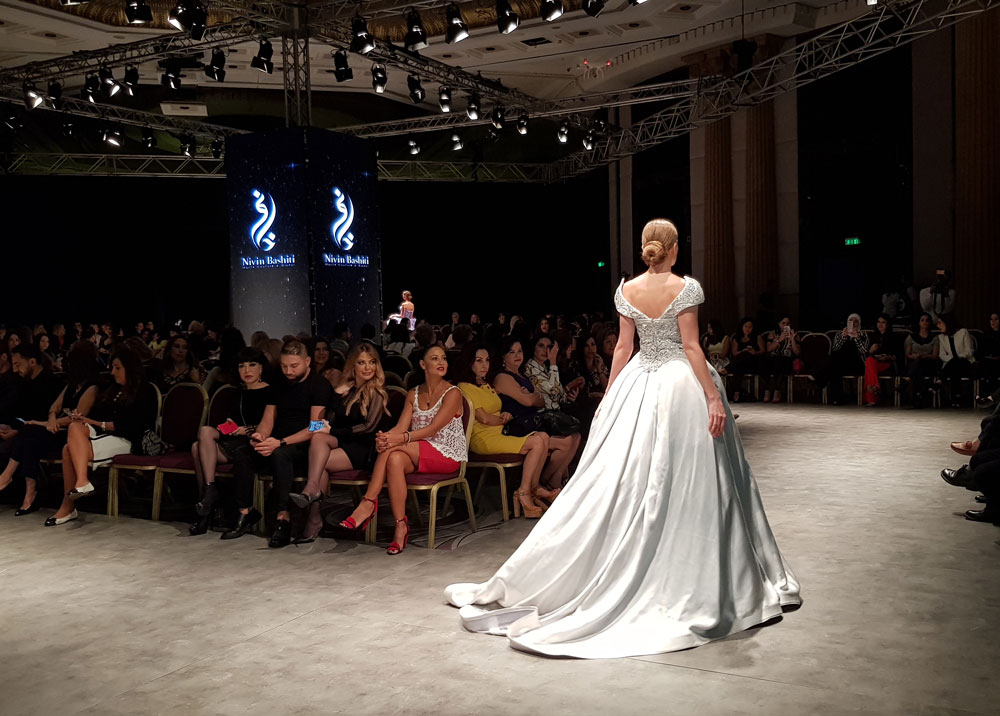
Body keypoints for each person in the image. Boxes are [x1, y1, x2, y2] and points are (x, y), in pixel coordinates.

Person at [444, 218, 800, 658]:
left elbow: (623, 348)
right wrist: (712, 396)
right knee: (693, 476)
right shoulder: (686, 287)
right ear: (674, 249)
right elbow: (691, 347)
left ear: (646, 248)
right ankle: (695, 564)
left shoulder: (627, 290)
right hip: (680, 385)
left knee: (629, 474)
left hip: (638, 383)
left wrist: (612, 394)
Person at [338, 345, 467, 555]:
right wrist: (386, 439)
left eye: (443, 358)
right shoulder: (413, 393)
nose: (441, 362)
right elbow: (400, 427)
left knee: (394, 447)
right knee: (394, 458)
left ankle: (368, 502)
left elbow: (433, 429)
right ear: (423, 364)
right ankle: (400, 526)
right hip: (415, 450)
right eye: (435, 358)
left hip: (446, 453)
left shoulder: (453, 393)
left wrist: (397, 439)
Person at [224, 340, 332, 546]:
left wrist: (280, 442)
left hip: (302, 444)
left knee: (280, 454)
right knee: (243, 453)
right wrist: (260, 437)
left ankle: (283, 518)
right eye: (284, 366)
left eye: (294, 366)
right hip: (276, 440)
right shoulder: (278, 382)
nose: (288, 371)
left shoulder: (319, 385)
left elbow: (316, 427)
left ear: (307, 361)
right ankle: (245, 512)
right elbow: (268, 419)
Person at [288, 343, 390, 542]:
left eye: (372, 362)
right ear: (353, 365)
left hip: (364, 448)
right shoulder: (347, 389)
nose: (368, 367)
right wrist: (337, 394)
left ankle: (313, 513)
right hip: (343, 442)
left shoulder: (378, 391)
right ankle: (312, 492)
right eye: (362, 363)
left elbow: (368, 427)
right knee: (318, 439)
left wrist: (332, 431)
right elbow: (330, 421)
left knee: (318, 462)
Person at [45, 347, 158, 526]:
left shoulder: (145, 391)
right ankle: (82, 482)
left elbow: (130, 425)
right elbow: (100, 416)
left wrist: (92, 422)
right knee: (75, 426)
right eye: (112, 367)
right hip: (105, 435)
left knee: (67, 450)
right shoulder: (112, 389)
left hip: (129, 440)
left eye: (117, 368)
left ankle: (69, 505)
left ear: (130, 368)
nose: (112, 372)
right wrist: (84, 420)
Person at [457, 344, 554, 518]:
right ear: (469, 363)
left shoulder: (486, 385)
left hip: (499, 432)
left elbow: (496, 410)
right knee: (537, 442)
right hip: (483, 438)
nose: (484, 365)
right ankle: (523, 492)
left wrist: (504, 415)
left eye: (487, 360)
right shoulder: (465, 387)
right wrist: (502, 419)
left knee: (543, 436)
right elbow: (484, 418)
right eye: (479, 361)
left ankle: (534, 488)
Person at [189, 347, 275, 536]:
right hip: (233, 441)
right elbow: (232, 421)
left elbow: (272, 426)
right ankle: (209, 493)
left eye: (252, 365)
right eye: (242, 366)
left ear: (261, 368)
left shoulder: (270, 392)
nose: (247, 370)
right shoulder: (237, 392)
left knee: (197, 449)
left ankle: (207, 507)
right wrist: (229, 426)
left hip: (255, 444)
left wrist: (247, 429)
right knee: (202, 436)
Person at [0, 344, 68, 512]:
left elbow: (48, 418)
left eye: (18, 364)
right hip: (28, 433)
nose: (15, 369)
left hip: (53, 433)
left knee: (28, 436)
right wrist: (12, 427)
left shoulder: (53, 383)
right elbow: (18, 414)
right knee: (26, 435)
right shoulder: (24, 384)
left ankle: (8, 478)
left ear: (32, 362)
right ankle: (27, 490)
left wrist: (19, 428)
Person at [823, 314, 868, 406]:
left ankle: (818, 375)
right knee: (835, 364)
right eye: (851, 321)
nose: (853, 323)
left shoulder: (863, 334)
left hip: (857, 364)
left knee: (835, 360)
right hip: (842, 364)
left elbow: (864, 351)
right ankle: (837, 399)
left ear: (859, 323)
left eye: (856, 321)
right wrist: (843, 337)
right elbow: (835, 349)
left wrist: (857, 338)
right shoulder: (840, 334)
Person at [757, 316, 800, 404]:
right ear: (779, 324)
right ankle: (767, 389)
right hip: (773, 359)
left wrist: (792, 339)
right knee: (763, 361)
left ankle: (777, 390)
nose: (785, 325)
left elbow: (797, 352)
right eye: (783, 323)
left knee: (781, 361)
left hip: (787, 360)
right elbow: (768, 349)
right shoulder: (773, 334)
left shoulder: (795, 335)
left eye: (787, 323)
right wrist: (779, 340)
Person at [862, 313, 902, 407]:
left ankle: (871, 399)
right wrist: (871, 351)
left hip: (888, 364)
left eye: (883, 322)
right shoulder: (872, 336)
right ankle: (875, 387)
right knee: (869, 361)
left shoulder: (894, 337)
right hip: (875, 363)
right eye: (878, 322)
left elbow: (898, 354)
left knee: (869, 368)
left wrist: (887, 357)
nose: (880, 324)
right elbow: (866, 355)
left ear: (887, 325)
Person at [936, 314, 975, 408]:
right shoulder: (941, 337)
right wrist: (954, 360)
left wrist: (957, 358)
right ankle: (956, 398)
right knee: (955, 368)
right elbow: (941, 355)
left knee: (956, 363)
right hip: (952, 367)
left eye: (940, 323)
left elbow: (970, 351)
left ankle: (940, 380)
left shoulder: (963, 332)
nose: (937, 325)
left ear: (947, 323)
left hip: (966, 363)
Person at [904, 312, 940, 408]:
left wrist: (923, 356)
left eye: (927, 320)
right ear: (919, 323)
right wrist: (915, 356)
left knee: (919, 363)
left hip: (928, 364)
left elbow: (935, 356)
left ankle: (907, 380)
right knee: (917, 366)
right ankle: (919, 396)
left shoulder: (934, 338)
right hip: (914, 363)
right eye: (922, 320)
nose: (925, 322)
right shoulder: (911, 337)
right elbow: (908, 354)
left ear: (930, 323)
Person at [728, 317, 760, 402]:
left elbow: (763, 351)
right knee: (741, 359)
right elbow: (734, 353)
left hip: (753, 362)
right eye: (746, 326)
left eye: (750, 327)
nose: (748, 329)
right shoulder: (736, 338)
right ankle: (737, 392)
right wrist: (743, 351)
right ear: (742, 327)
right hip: (740, 364)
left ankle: (727, 368)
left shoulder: (757, 337)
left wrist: (754, 352)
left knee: (744, 356)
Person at [975, 312, 1000, 407]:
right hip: (987, 361)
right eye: (991, 319)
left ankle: (989, 398)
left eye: (996, 319)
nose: (993, 321)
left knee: (992, 369)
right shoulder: (985, 335)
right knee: (986, 368)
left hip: (998, 361)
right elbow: (980, 351)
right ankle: (988, 397)